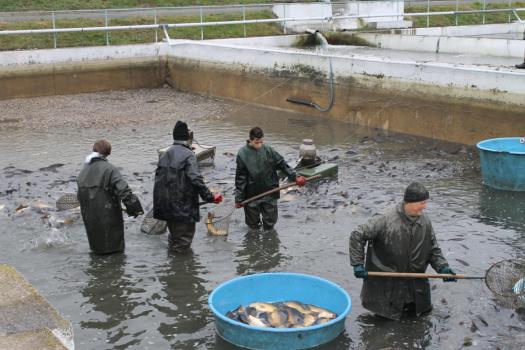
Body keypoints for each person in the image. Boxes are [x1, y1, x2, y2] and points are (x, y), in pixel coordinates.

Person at [349, 182, 456, 320]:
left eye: (425, 202)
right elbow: (357, 235)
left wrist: (443, 267)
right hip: (386, 287)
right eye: (422, 203)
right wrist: (358, 263)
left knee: (419, 326)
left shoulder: (425, 222)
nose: (425, 206)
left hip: (416, 289)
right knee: (382, 326)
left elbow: (433, 249)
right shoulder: (384, 219)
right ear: (409, 202)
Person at [153, 121, 223, 252]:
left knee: (173, 238)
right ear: (187, 137)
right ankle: (182, 270)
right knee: (183, 243)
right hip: (182, 208)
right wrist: (210, 197)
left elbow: (159, 180)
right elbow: (196, 179)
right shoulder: (189, 155)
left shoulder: (164, 155)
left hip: (166, 206)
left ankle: (172, 266)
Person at [77, 139, 144, 255]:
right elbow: (124, 190)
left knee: (96, 250)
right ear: (107, 153)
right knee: (114, 251)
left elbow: (80, 196)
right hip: (109, 216)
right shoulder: (110, 169)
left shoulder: (83, 171)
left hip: (89, 217)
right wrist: (135, 209)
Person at [235, 127, 307, 231]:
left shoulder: (269, 150)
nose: (259, 145)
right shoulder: (242, 154)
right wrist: (239, 198)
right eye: (256, 142)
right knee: (253, 226)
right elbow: (240, 179)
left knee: (270, 224)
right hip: (251, 195)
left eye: (261, 142)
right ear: (250, 140)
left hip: (270, 192)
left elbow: (283, 165)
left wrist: (296, 177)